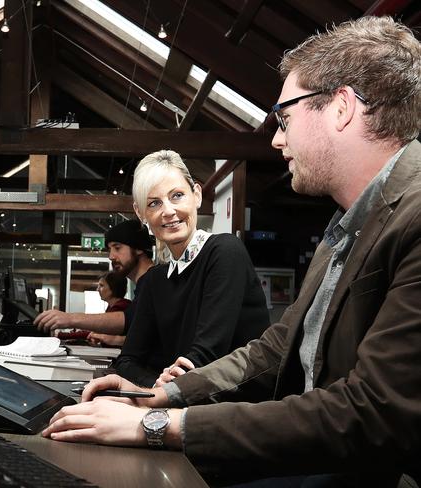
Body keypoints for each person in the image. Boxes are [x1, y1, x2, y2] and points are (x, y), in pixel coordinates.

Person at [42, 16, 421, 487]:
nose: (277, 138)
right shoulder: (344, 227)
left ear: (341, 107)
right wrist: (163, 397)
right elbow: (276, 348)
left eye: (285, 117)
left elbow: (374, 412)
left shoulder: (415, 216)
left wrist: (158, 426)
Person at [113, 150, 270, 387]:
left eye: (177, 196)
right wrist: (158, 384)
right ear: (141, 213)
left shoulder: (225, 252)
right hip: (184, 398)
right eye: (154, 203)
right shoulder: (155, 280)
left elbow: (206, 355)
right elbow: (127, 361)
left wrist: (163, 388)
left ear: (196, 195)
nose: (168, 211)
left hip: (239, 407)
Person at [34, 219, 154, 343]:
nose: (111, 256)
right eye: (110, 250)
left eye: (117, 248)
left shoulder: (156, 279)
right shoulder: (145, 282)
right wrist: (115, 340)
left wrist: (70, 318)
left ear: (139, 248)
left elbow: (128, 320)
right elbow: (147, 334)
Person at [86, 271, 131, 347]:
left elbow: (99, 329)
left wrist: (60, 334)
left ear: (113, 287)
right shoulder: (112, 306)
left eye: (101, 286)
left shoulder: (120, 307)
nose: (98, 289)